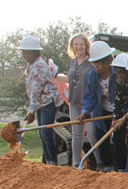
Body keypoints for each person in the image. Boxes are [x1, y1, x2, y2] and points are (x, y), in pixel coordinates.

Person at [19, 35, 63, 165]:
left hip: (48, 102)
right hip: (40, 104)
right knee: (42, 134)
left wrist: (31, 111)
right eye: (24, 53)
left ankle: (52, 162)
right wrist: (31, 109)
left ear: (35, 52)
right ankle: (46, 161)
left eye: (28, 53)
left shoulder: (39, 65)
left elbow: (36, 90)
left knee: (46, 132)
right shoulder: (30, 66)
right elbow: (31, 91)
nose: (26, 55)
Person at [55, 33, 97, 168]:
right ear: (72, 46)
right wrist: (59, 77)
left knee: (92, 134)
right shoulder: (72, 62)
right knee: (76, 134)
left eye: (81, 44)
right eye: (76, 44)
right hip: (74, 101)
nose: (79, 47)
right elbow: (73, 79)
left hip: (89, 102)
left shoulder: (91, 62)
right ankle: (77, 163)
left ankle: (100, 162)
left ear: (86, 46)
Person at [78, 41, 117, 172]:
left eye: (98, 63)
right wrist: (85, 111)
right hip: (102, 111)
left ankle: (119, 166)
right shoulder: (93, 76)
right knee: (101, 137)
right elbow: (90, 96)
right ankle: (106, 166)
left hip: (118, 110)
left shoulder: (117, 74)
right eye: (93, 63)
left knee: (118, 138)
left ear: (107, 62)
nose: (95, 66)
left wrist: (120, 115)